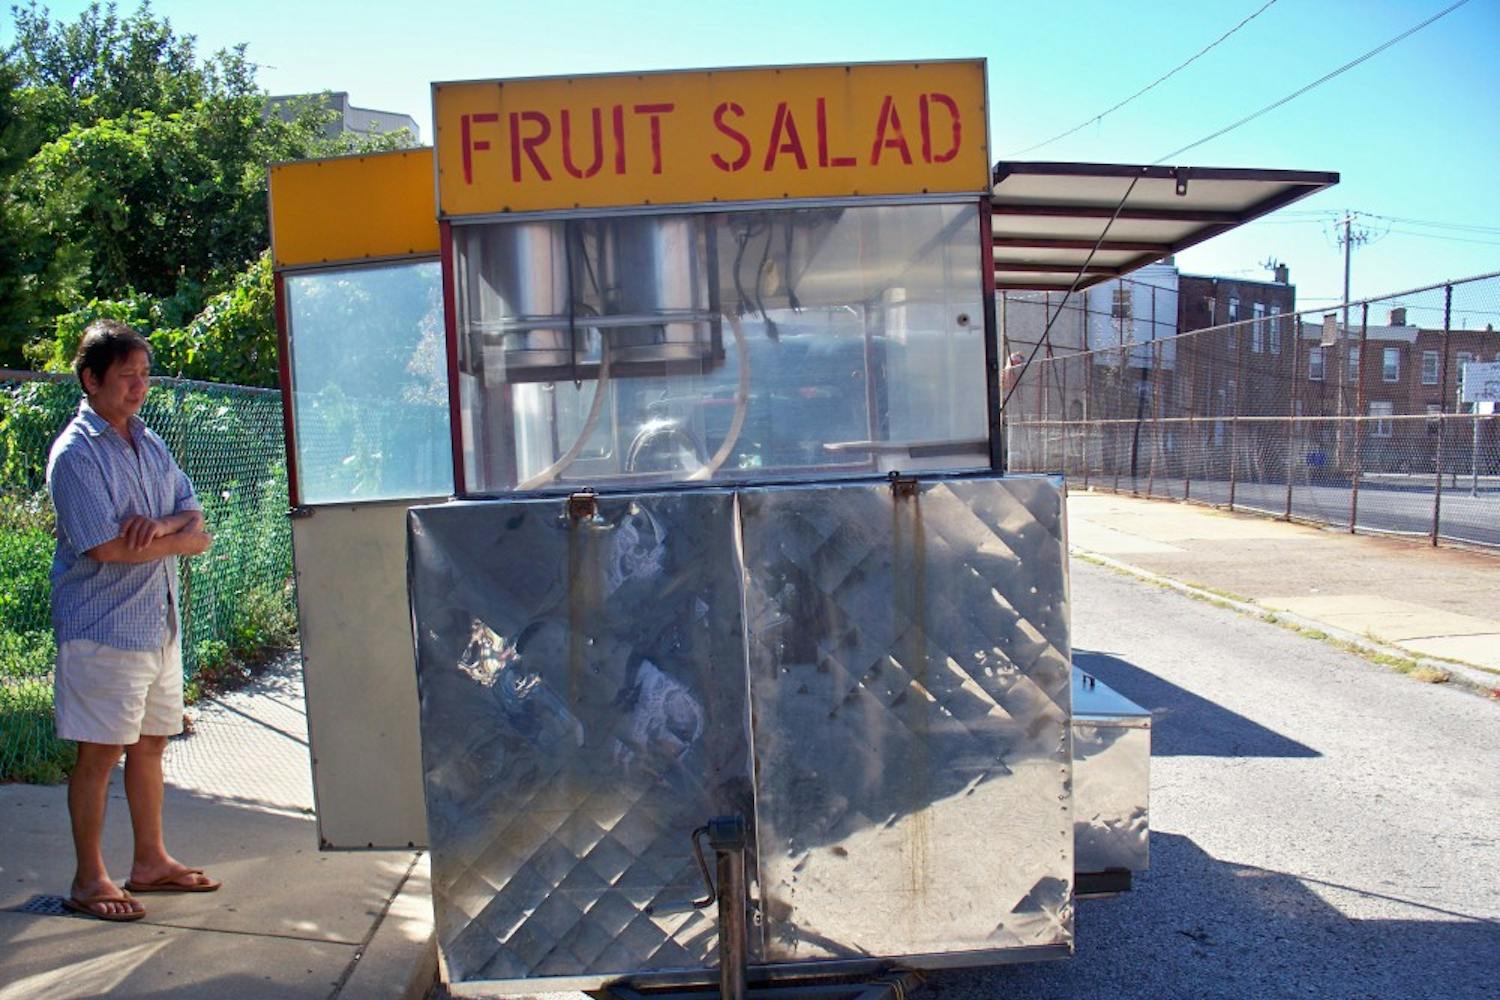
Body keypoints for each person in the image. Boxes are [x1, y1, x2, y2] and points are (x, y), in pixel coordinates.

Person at [46, 319, 219, 922]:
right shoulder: (75, 453)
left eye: (144, 375)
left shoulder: (148, 440)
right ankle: (89, 879)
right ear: (91, 379)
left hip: (157, 624)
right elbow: (103, 547)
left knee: (150, 746)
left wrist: (164, 527)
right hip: (103, 632)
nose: (139, 387)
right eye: (127, 376)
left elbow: (193, 513)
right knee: (99, 756)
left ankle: (150, 862)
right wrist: (181, 539)